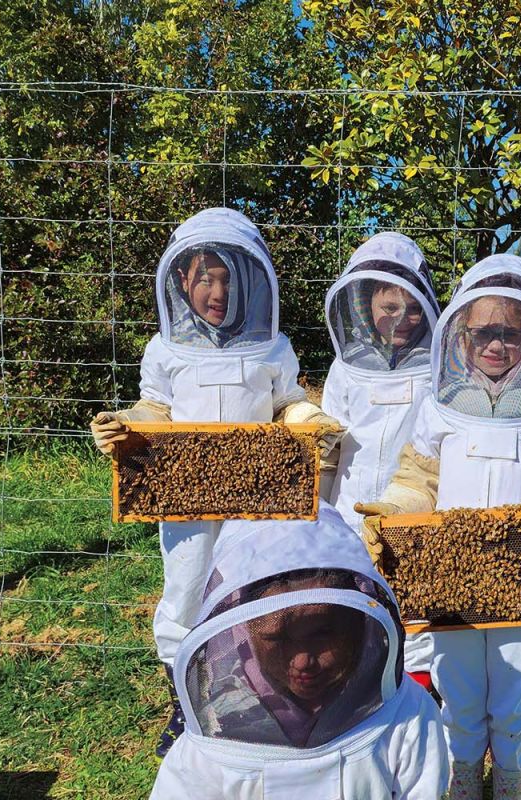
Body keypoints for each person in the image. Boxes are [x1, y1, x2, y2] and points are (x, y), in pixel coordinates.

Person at [358, 254, 521, 800]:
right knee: (459, 688)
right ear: (459, 339)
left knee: (516, 687)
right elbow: (417, 478)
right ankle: (462, 780)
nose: (497, 346)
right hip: (450, 583)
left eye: (511, 334)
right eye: (484, 334)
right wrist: (392, 511)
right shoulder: (440, 407)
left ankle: (511, 782)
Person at [88, 207, 342, 757]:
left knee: (254, 589)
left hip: (258, 496)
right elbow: (155, 407)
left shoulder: (271, 347)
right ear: (183, 280)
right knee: (186, 588)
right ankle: (185, 701)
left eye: (229, 277)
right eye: (206, 277)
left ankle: (249, 694)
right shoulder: (165, 348)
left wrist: (309, 423)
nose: (218, 291)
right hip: (185, 501)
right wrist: (126, 429)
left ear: (252, 280)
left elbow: (288, 403)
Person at [149, 510, 449, 798]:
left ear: (357, 623)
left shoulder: (405, 714)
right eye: (277, 637)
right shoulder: (214, 732)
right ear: (246, 630)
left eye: (322, 633)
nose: (302, 661)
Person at [321, 232, 442, 689]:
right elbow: (330, 443)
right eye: (389, 308)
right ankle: (361, 685)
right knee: (355, 601)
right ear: (367, 304)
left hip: (413, 506)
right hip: (351, 507)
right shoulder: (344, 367)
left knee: (417, 606)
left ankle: (420, 692)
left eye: (412, 308)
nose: (402, 320)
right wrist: (320, 505)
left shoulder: (436, 366)